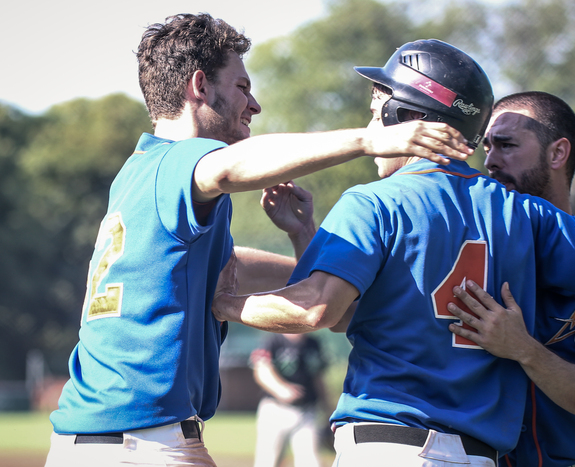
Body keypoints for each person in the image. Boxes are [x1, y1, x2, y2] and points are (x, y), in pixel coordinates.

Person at [211, 39, 575, 467]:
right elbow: (357, 308)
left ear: (397, 117)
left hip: (391, 441)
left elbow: (316, 310)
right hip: (477, 454)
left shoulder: (373, 201)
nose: (491, 159)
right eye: (490, 143)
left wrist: (222, 300)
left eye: (377, 105)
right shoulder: (523, 217)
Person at [44, 14, 474, 467]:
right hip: (140, 445)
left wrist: (332, 269)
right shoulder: (179, 161)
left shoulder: (139, 174)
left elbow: (231, 269)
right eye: (243, 87)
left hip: (108, 439)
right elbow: (230, 167)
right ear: (200, 87)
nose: (255, 105)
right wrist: (370, 140)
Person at [444, 90, 575, 467]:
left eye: (507, 145)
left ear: (557, 153)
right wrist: (309, 240)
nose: (491, 162)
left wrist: (523, 348)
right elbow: (357, 317)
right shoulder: (474, 256)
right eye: (487, 148)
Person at [250, 332, 330, 467]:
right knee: (267, 461)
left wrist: (327, 406)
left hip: (306, 411)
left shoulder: (312, 343)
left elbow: (318, 377)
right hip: (275, 410)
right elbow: (261, 370)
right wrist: (281, 389)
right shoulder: (273, 340)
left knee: (310, 461)